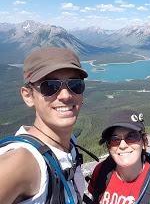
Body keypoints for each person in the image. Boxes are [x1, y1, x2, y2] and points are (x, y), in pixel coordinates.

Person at [0, 47, 88, 203]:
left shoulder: (69, 144)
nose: (66, 95)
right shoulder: (23, 161)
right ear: (28, 96)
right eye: (50, 86)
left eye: (75, 84)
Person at [88, 109, 150, 204]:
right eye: (114, 139)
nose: (122, 145)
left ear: (144, 142)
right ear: (109, 146)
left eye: (131, 137)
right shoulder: (101, 172)